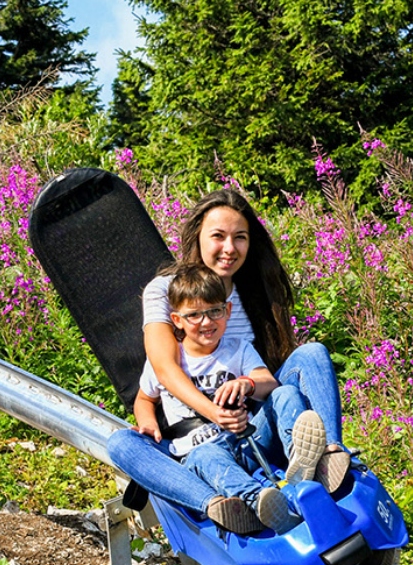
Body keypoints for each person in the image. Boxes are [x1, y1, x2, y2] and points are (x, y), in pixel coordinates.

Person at [140, 189, 353, 492]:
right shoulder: (164, 290)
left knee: (312, 353)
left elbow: (269, 378)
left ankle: (330, 455)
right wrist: (215, 414)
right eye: (218, 236)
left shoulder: (251, 290)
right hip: (208, 432)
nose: (229, 248)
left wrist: (249, 387)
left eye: (240, 237)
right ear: (197, 236)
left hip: (256, 420)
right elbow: (163, 369)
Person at [129, 265, 324, 535]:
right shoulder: (166, 362)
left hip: (248, 441)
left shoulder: (237, 349)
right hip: (204, 451)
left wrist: (247, 383)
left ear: (227, 311)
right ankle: (260, 502)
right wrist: (148, 421)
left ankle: (301, 465)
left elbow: (269, 384)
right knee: (205, 455)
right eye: (194, 315)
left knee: (285, 393)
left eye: (214, 312)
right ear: (177, 320)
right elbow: (143, 399)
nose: (206, 322)